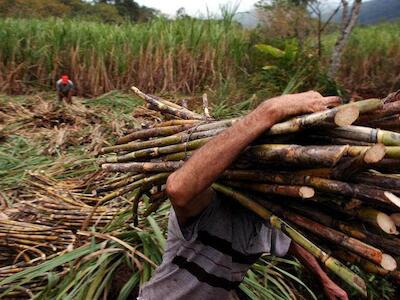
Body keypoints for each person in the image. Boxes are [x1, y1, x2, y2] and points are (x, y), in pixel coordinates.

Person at [138, 91, 348, 300]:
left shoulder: (265, 213)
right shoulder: (210, 204)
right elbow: (177, 188)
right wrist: (270, 111)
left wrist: (325, 281)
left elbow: (292, 242)